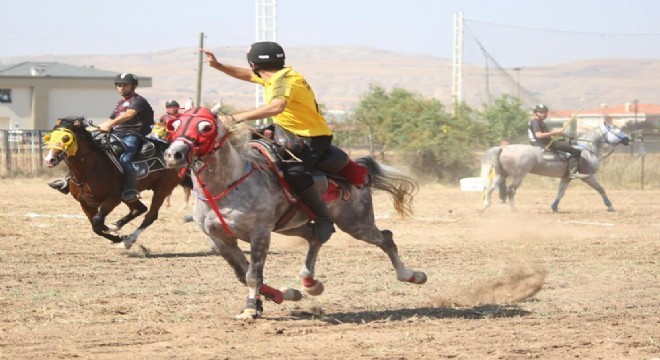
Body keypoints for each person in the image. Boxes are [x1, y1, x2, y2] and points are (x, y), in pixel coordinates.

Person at [201, 42, 335, 243]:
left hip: (311, 137)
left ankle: (323, 218)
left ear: (254, 64)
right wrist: (218, 66)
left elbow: (277, 106)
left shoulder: (285, 82)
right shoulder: (275, 76)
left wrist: (237, 118)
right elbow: (246, 75)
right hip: (286, 132)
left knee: (294, 172)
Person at [49, 73, 154, 201]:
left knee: (126, 159)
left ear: (133, 87)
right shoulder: (120, 102)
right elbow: (110, 120)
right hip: (115, 133)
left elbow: (129, 115)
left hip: (132, 134)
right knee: (85, 149)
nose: (122, 88)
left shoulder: (138, 101)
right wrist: (93, 129)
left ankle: (130, 189)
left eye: (125, 85)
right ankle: (67, 180)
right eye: (119, 85)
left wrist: (110, 124)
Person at [528, 104, 587, 178]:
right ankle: (573, 172)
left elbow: (549, 135)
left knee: (564, 142)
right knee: (576, 151)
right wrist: (555, 132)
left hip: (545, 141)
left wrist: (567, 136)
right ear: (536, 113)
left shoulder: (541, 122)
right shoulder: (535, 122)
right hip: (541, 143)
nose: (544, 114)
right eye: (541, 112)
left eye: (545, 112)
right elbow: (538, 135)